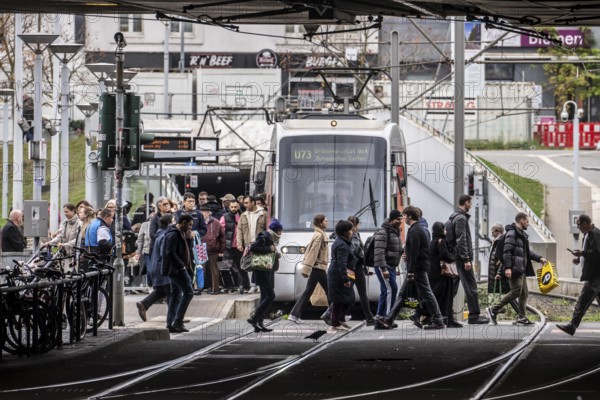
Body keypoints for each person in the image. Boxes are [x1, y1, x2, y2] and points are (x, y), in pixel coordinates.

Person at [377, 206, 445, 330]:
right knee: (402, 294)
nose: (403, 219)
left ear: (409, 216)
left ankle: (438, 319)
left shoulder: (415, 231)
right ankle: (389, 319)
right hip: (418, 267)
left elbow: (414, 252)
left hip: (417, 268)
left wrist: (411, 271)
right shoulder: (419, 229)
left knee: (427, 293)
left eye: (404, 216)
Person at [487, 212, 547, 326]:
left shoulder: (521, 235)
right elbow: (507, 251)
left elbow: (527, 253)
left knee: (524, 293)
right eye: (527, 221)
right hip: (514, 268)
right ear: (521, 220)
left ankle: (521, 318)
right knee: (516, 291)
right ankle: (493, 309)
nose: (528, 224)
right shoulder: (512, 233)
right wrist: (508, 268)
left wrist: (540, 259)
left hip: (521, 268)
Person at [448, 194, 489, 324]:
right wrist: (466, 259)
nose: (471, 206)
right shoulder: (461, 218)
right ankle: (474, 316)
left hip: (455, 258)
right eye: (470, 203)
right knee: (471, 287)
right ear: (466, 203)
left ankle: (443, 314)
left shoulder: (454, 216)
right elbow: (461, 239)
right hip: (461, 259)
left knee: (451, 289)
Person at [557, 214, 600, 335]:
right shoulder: (586, 235)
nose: (578, 227)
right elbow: (588, 254)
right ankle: (572, 325)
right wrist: (580, 259)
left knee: (582, 301)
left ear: (586, 223)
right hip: (595, 274)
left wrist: (583, 253)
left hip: (595, 275)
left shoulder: (595, 234)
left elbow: (597, 254)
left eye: (579, 224)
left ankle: (572, 326)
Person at [288, 214, 329, 324]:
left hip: (317, 267)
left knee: (308, 291)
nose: (327, 222)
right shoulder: (320, 235)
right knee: (330, 290)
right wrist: (307, 267)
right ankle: (336, 315)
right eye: (325, 221)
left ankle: (294, 314)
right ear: (320, 223)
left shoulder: (319, 234)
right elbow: (313, 252)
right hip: (318, 267)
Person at [247, 219, 282, 333]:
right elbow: (253, 248)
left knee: (264, 296)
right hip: (261, 271)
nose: (280, 234)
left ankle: (259, 323)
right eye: (280, 231)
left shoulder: (271, 238)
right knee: (271, 296)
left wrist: (275, 253)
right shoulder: (264, 236)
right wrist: (268, 249)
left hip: (267, 271)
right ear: (275, 230)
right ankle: (254, 318)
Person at [162, 213, 195, 333]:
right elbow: (169, 253)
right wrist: (181, 265)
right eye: (190, 225)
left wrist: (190, 239)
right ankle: (178, 321)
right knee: (189, 292)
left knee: (176, 294)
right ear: (184, 222)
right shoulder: (173, 235)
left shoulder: (181, 233)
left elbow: (187, 250)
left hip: (179, 268)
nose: (191, 227)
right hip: (176, 269)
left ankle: (171, 323)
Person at [136, 214, 173, 322]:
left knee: (161, 291)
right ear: (170, 223)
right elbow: (164, 254)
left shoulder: (159, 234)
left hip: (157, 269)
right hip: (163, 269)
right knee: (172, 292)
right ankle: (174, 317)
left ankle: (143, 304)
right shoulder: (164, 236)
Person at [425, 221, 460, 327]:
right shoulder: (442, 241)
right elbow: (444, 255)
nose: (446, 231)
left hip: (433, 273)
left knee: (436, 295)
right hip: (443, 274)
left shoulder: (432, 241)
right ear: (441, 230)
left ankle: (434, 317)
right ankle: (446, 319)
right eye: (444, 229)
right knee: (446, 297)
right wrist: (454, 257)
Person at [373, 209, 403, 318]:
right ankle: (388, 317)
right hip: (384, 266)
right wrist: (384, 269)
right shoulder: (383, 232)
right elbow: (379, 252)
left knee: (385, 290)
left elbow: (395, 248)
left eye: (401, 219)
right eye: (398, 219)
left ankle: (379, 315)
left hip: (391, 266)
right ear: (391, 220)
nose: (400, 221)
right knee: (392, 289)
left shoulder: (395, 230)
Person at [327, 220, 356, 331]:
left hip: (337, 273)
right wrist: (345, 279)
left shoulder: (341, 242)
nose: (352, 232)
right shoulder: (342, 245)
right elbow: (341, 263)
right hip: (338, 275)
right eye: (350, 230)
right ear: (345, 232)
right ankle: (335, 323)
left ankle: (339, 321)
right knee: (345, 300)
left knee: (340, 300)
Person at [237, 196, 268, 293]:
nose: (244, 205)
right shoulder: (244, 215)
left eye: (246, 203)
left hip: (259, 244)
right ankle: (253, 285)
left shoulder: (264, 214)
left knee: (259, 265)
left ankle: (260, 285)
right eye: (244, 203)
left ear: (253, 202)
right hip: (248, 244)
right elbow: (239, 230)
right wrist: (239, 242)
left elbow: (268, 229)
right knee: (249, 265)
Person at [487, 224, 519, 314]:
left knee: (509, 294)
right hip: (497, 272)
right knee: (507, 294)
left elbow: (503, 258)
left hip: (500, 273)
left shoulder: (501, 241)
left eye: (494, 230)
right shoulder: (496, 241)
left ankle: (520, 314)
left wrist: (499, 272)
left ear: (499, 231)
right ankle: (494, 313)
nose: (492, 232)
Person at [220, 200, 249, 293]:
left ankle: (245, 285)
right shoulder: (224, 217)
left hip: (239, 246)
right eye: (232, 207)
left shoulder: (243, 216)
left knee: (242, 267)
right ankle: (229, 285)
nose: (233, 209)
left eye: (235, 207)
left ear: (239, 207)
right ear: (229, 207)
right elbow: (221, 231)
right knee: (226, 266)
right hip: (228, 246)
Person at [199, 205, 226, 295]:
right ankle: (199, 288)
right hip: (200, 248)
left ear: (209, 213)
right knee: (200, 269)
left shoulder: (216, 222)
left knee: (214, 270)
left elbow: (222, 237)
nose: (202, 214)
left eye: (204, 212)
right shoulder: (197, 222)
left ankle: (215, 289)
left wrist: (221, 250)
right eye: (201, 212)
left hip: (213, 249)